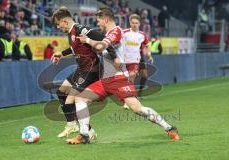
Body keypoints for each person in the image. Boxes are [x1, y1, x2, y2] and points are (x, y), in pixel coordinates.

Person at [67, 7, 179, 144]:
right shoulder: (108, 34)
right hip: (105, 80)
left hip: (119, 78)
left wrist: (88, 41)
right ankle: (84, 135)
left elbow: (102, 46)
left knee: (137, 109)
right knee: (80, 99)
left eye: (98, 21)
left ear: (106, 19)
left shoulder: (116, 31)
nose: (97, 23)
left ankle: (169, 128)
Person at [50, 7, 115, 141]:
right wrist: (61, 54)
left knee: (70, 100)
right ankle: (88, 130)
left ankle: (74, 126)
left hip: (91, 70)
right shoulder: (71, 32)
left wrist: (112, 55)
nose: (57, 26)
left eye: (58, 23)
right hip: (81, 69)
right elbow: (75, 48)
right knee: (61, 92)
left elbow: (102, 38)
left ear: (65, 21)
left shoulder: (80, 29)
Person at [122, 14, 153, 109]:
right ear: (130, 23)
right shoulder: (124, 33)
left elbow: (147, 45)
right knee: (126, 80)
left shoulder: (142, 35)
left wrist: (150, 55)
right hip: (124, 60)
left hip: (137, 59)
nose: (134, 24)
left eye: (136, 23)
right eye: (133, 23)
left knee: (138, 76)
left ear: (139, 24)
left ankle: (134, 96)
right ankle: (128, 98)